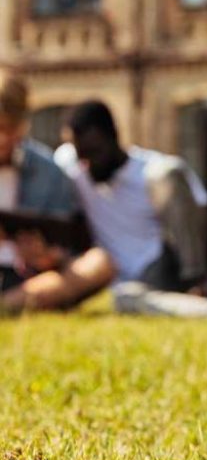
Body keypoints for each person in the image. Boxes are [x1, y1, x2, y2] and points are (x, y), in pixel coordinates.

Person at [56, 100, 207, 322]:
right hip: (132, 283)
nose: (87, 164)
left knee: (166, 175)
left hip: (170, 262)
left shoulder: (151, 169)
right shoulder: (72, 165)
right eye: (80, 156)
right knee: (126, 298)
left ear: (113, 137)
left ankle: (198, 282)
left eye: (93, 153)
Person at [0, 73, 114, 313]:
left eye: (7, 129)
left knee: (100, 263)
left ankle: (9, 304)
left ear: (22, 126)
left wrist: (47, 256)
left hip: (30, 280)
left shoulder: (50, 172)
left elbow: (67, 251)